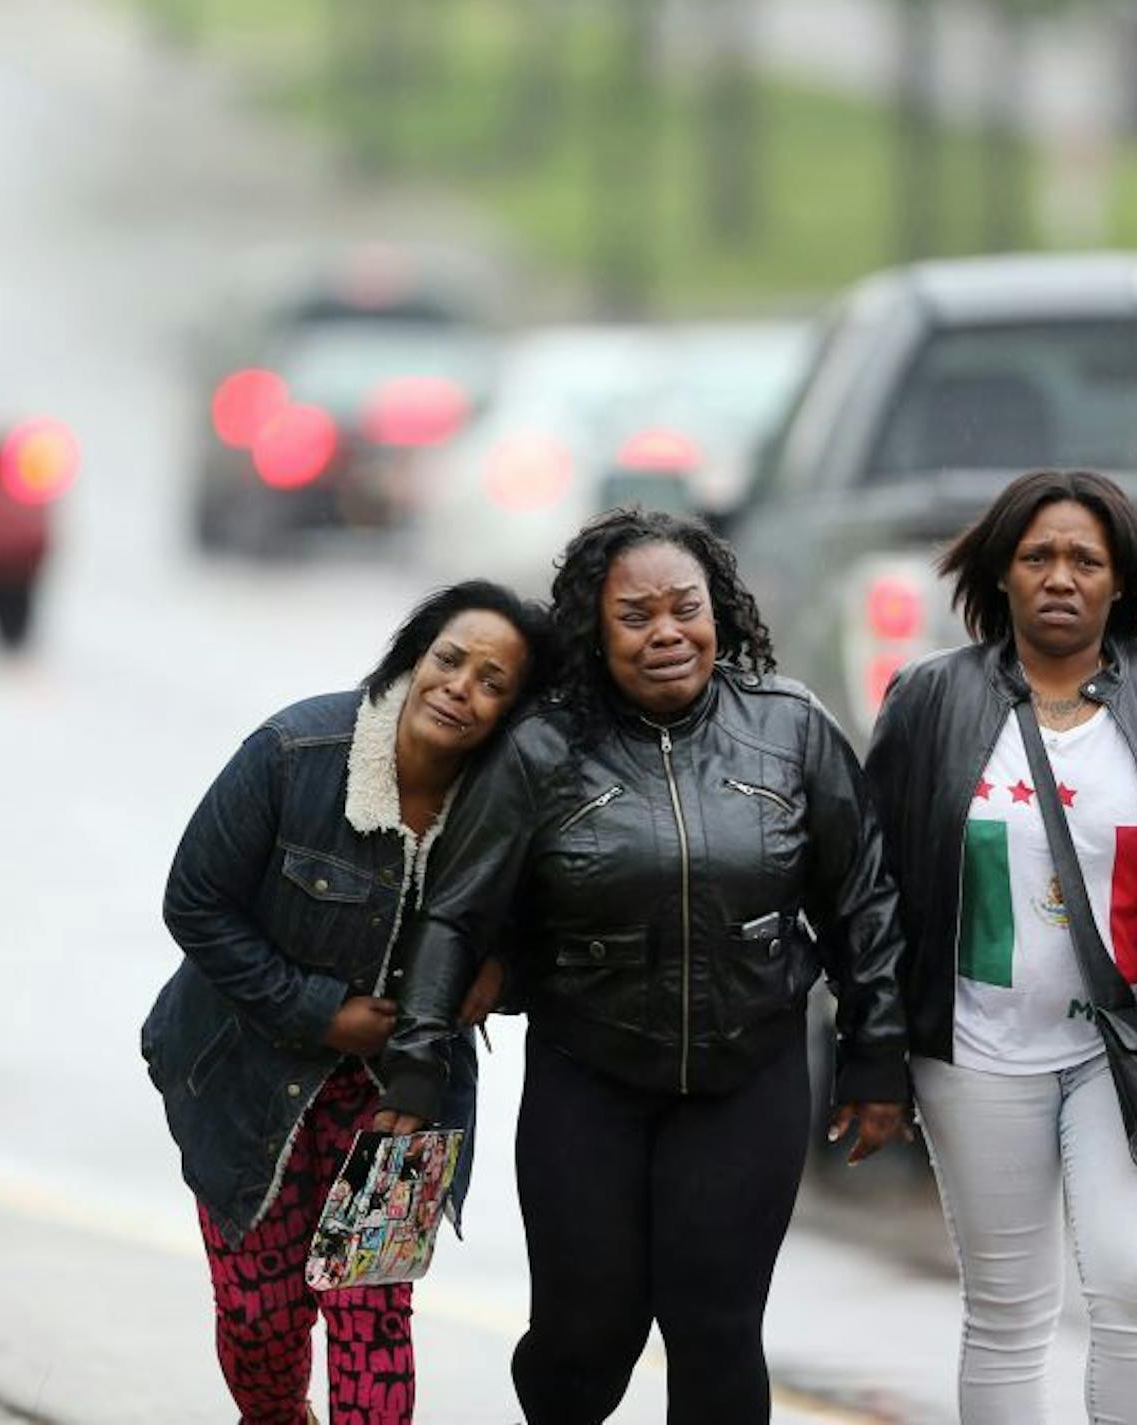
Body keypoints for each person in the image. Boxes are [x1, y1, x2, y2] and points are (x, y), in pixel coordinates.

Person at [373, 507, 913, 1425]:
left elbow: (862, 896)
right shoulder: (541, 749)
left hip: (751, 1075)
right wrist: (417, 1054)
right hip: (591, 1077)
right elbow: (455, 914)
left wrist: (877, 1053)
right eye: (635, 615)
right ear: (594, 627)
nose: (667, 632)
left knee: (716, 1330)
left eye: (685, 608)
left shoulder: (790, 728)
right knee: (586, 1338)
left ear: (719, 613)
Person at [863, 470, 1137, 1425]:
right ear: (1001, 575)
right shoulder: (932, 698)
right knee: (1008, 1310)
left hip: (1130, 1048)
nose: (1061, 576)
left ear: (1119, 581)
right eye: (1038, 557)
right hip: (976, 1050)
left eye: (1085, 560)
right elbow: (875, 889)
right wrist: (873, 1057)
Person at [140, 580, 553, 1425]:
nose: (459, 688)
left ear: (515, 710)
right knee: (262, 1319)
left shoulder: (516, 807)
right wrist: (316, 1010)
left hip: (400, 1101)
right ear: (414, 654)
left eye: (492, 681)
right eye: (449, 659)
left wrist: (500, 976)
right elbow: (194, 903)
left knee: (372, 1319)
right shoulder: (296, 751)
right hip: (246, 1078)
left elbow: (553, 935)